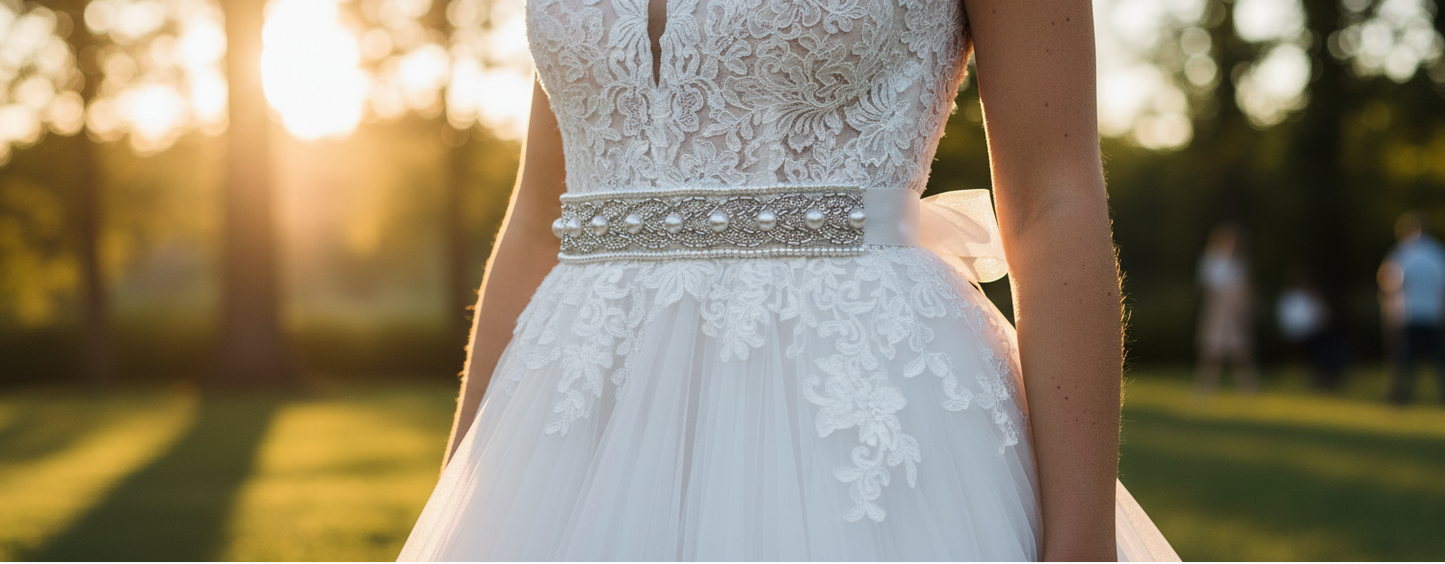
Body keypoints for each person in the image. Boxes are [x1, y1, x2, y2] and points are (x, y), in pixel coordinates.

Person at [399, 0, 1178, 561]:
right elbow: (542, 220)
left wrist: (1079, 546)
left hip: (852, 420)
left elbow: (1053, 205)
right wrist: (462, 485)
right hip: (567, 427)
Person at [1379, 212, 1445, 406]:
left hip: (1406, 315)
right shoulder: (1437, 253)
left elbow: (1389, 283)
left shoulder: (1401, 253)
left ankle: (1400, 398)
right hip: (1432, 315)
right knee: (1438, 362)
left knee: (1403, 362)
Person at [1194, 224, 1259, 394]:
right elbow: (1209, 286)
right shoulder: (1211, 260)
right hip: (1218, 310)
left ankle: (1249, 389)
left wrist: (1245, 308)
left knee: (1241, 351)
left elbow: (1244, 289)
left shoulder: (1239, 263)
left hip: (1235, 312)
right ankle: (1205, 389)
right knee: (1212, 351)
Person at [1276, 272, 1346, 390]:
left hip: (1315, 332)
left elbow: (1325, 317)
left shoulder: (1313, 298)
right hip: (1299, 334)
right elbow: (1289, 322)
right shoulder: (1290, 299)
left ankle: (1332, 371)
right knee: (1322, 342)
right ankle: (1324, 374)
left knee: (1333, 339)